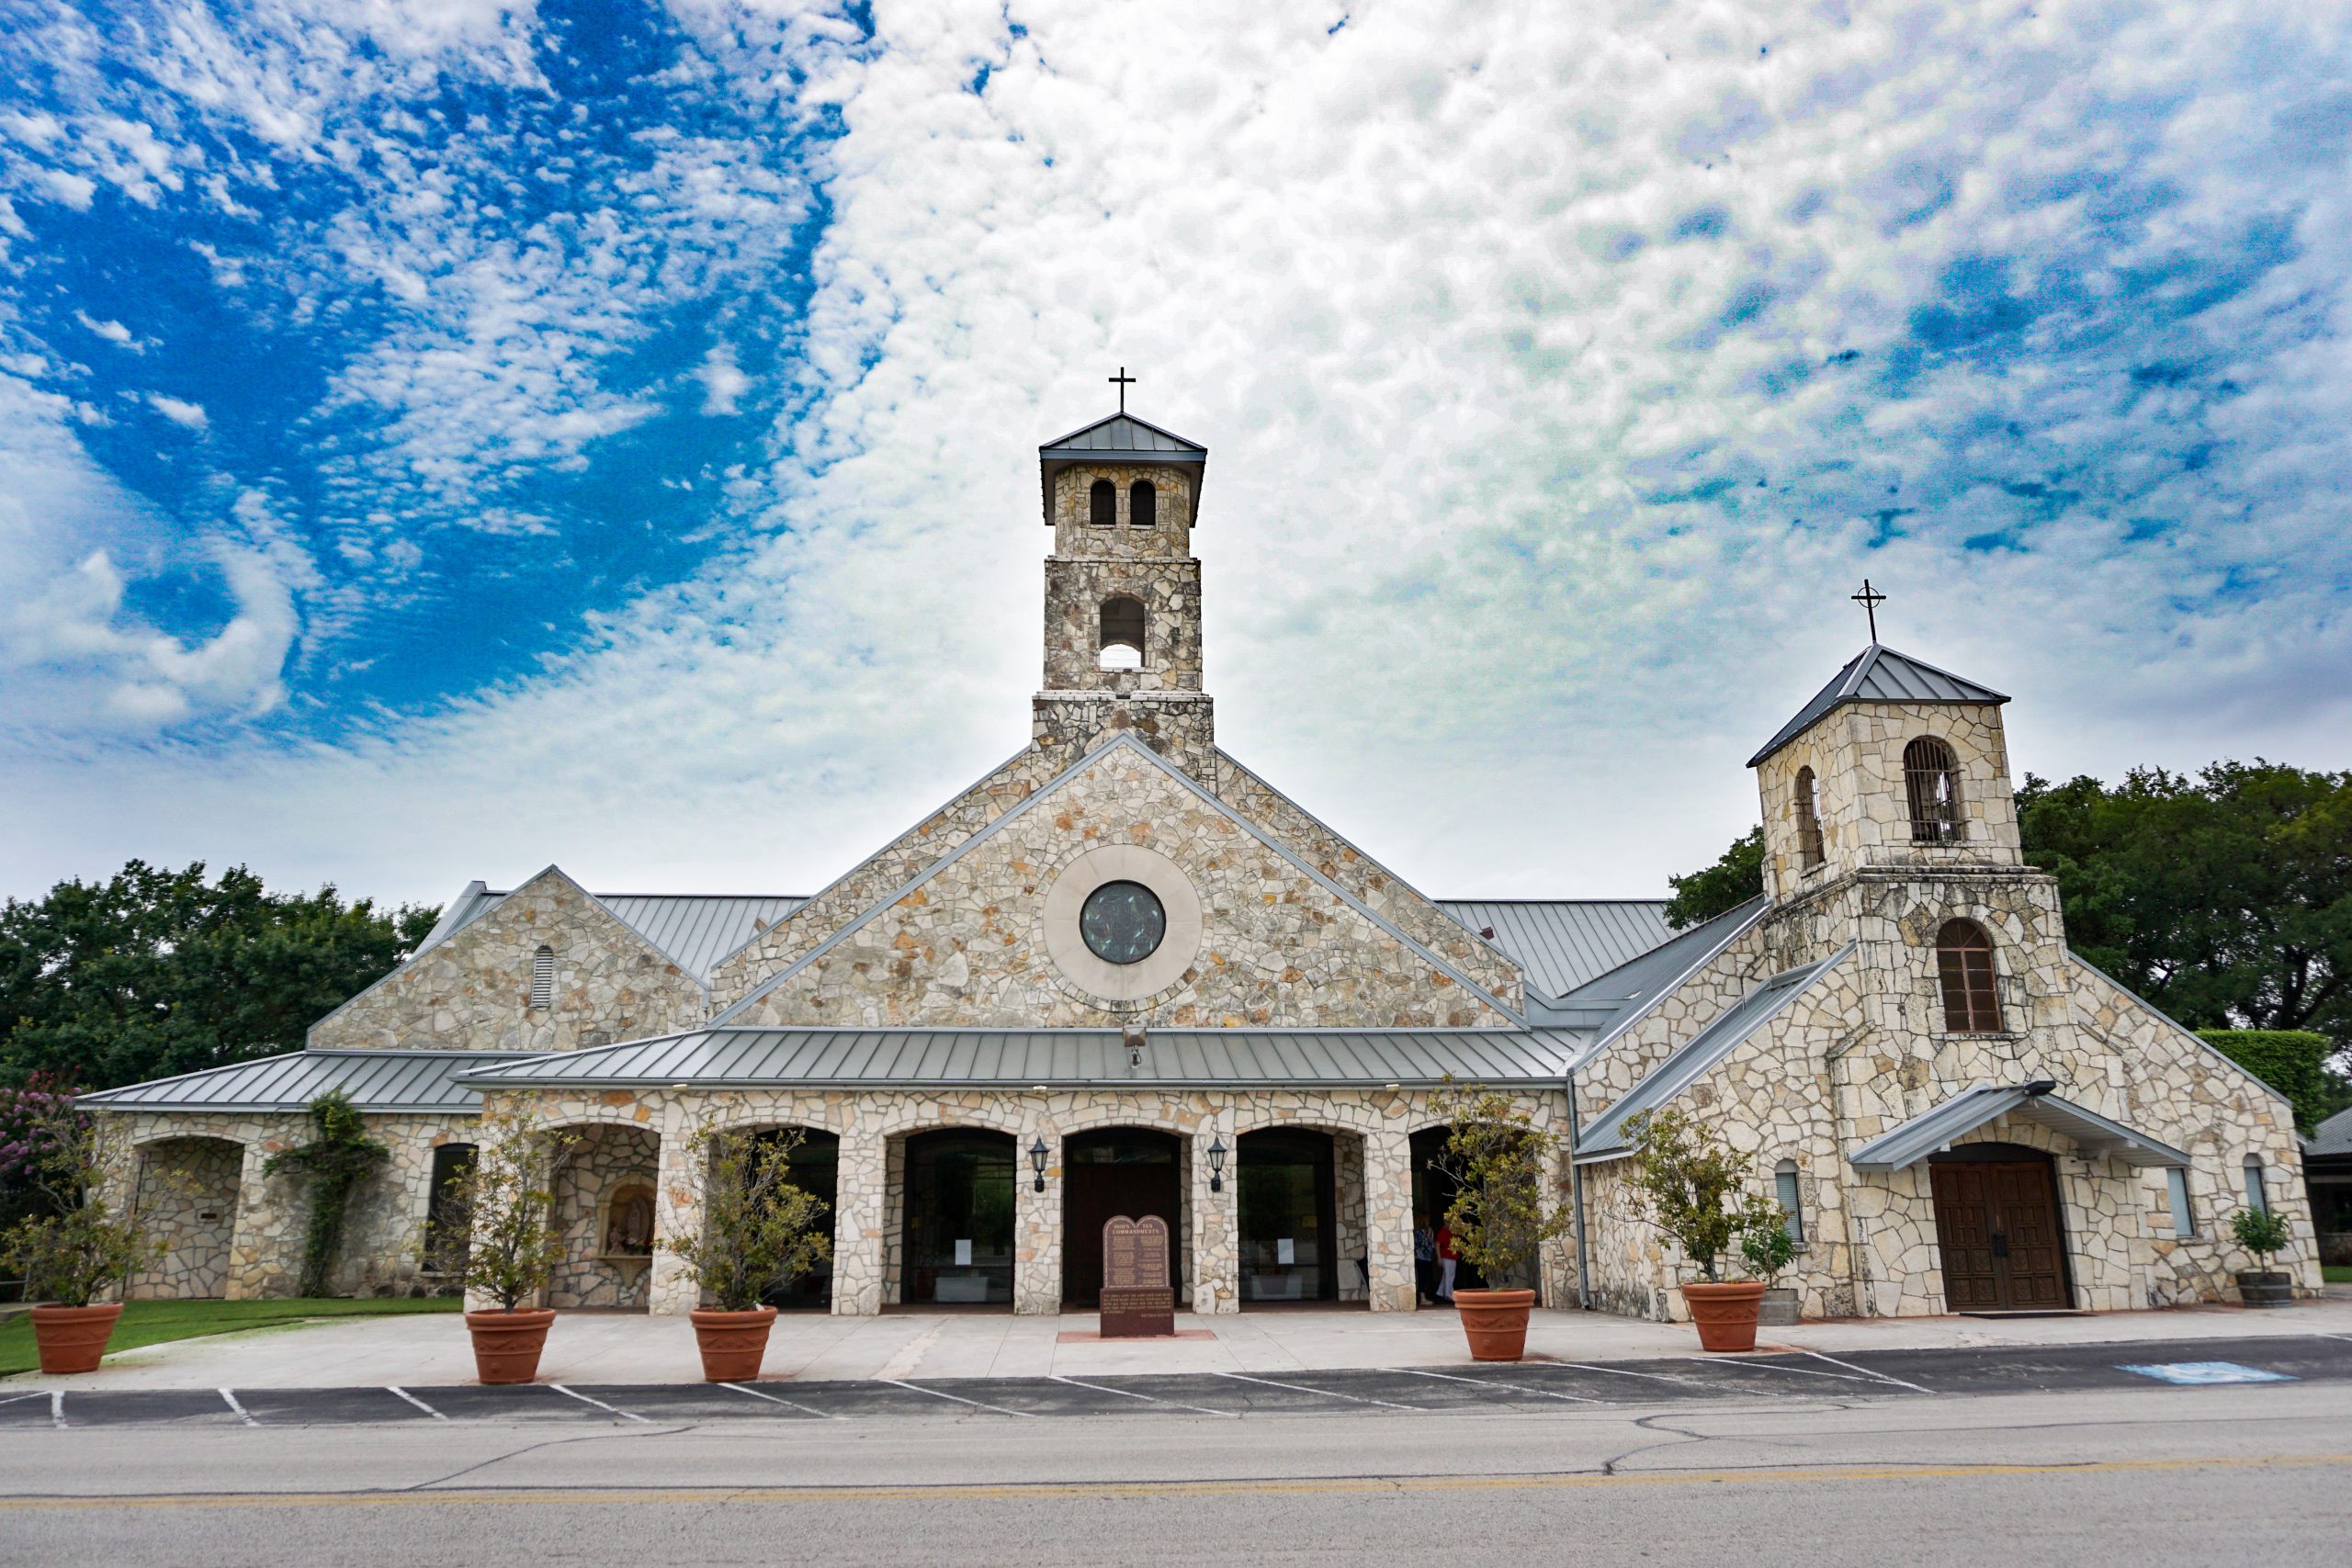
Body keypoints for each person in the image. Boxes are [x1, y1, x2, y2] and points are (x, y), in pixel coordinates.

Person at [1412, 1213, 1439, 1306]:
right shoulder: (1419, 1231)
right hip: (1421, 1257)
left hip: (1428, 1258)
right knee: (1422, 1278)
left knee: (1427, 1278)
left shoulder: (1428, 1230)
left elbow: (1430, 1245)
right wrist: (1428, 1236)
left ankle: (1424, 1296)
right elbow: (1419, 1244)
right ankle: (1422, 1299)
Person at [1435, 1220, 1459, 1303]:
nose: (1449, 1223)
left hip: (1453, 1256)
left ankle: (1440, 1292)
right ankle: (1448, 1294)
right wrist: (1439, 1257)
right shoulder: (1443, 1232)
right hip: (1446, 1256)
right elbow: (1437, 1245)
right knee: (1450, 1275)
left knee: (1446, 1275)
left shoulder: (1453, 1231)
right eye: (1448, 1222)